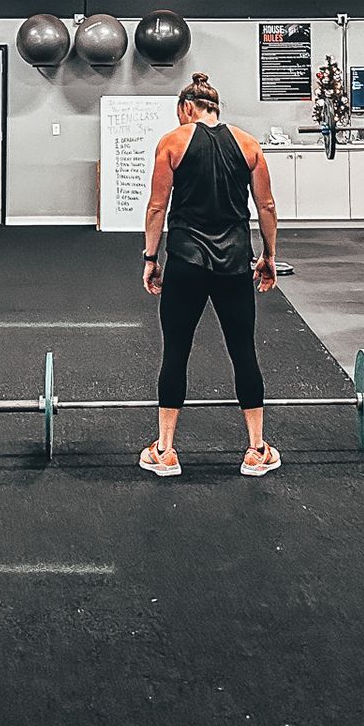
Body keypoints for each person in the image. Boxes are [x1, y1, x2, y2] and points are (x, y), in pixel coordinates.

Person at [140, 72, 280, 478]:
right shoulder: (249, 144)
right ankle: (256, 449)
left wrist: (151, 257)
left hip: (186, 261)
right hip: (235, 262)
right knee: (243, 350)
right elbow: (266, 205)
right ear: (215, 107)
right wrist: (269, 254)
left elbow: (155, 208)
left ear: (187, 107)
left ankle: (165, 451)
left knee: (176, 350)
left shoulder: (173, 141)